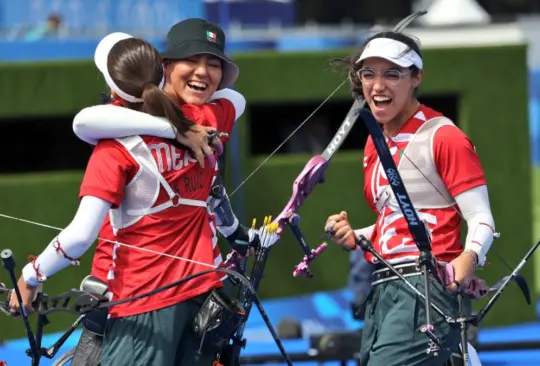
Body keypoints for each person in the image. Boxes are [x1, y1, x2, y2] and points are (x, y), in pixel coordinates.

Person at [9, 32, 258, 366]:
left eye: (211, 64)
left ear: (113, 89)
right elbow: (234, 100)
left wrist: (31, 275)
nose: (202, 72)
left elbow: (80, 235)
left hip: (143, 305)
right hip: (202, 299)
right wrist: (176, 125)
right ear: (162, 72)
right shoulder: (206, 123)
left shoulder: (114, 149)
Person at [325, 32, 496, 365]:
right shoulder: (375, 144)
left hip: (428, 288)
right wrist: (356, 236)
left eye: (392, 73)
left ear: (417, 77)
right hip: (384, 289)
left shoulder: (444, 136)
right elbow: (397, 225)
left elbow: (482, 219)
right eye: (368, 74)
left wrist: (469, 258)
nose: (377, 85)